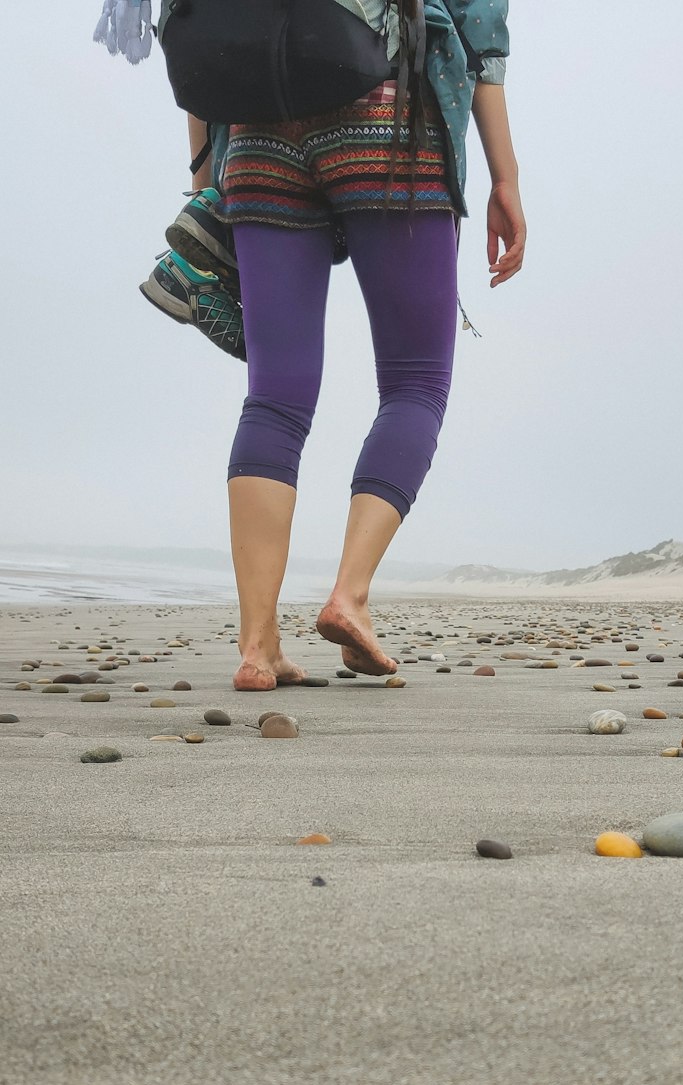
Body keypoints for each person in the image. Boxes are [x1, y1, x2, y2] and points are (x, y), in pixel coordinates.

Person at [100, 0, 525, 689]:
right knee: (416, 382)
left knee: (274, 397)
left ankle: (258, 644)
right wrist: (505, 178)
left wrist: (206, 186)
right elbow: (480, 32)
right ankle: (348, 596)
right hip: (389, 117)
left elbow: (203, 37)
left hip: (258, 133)